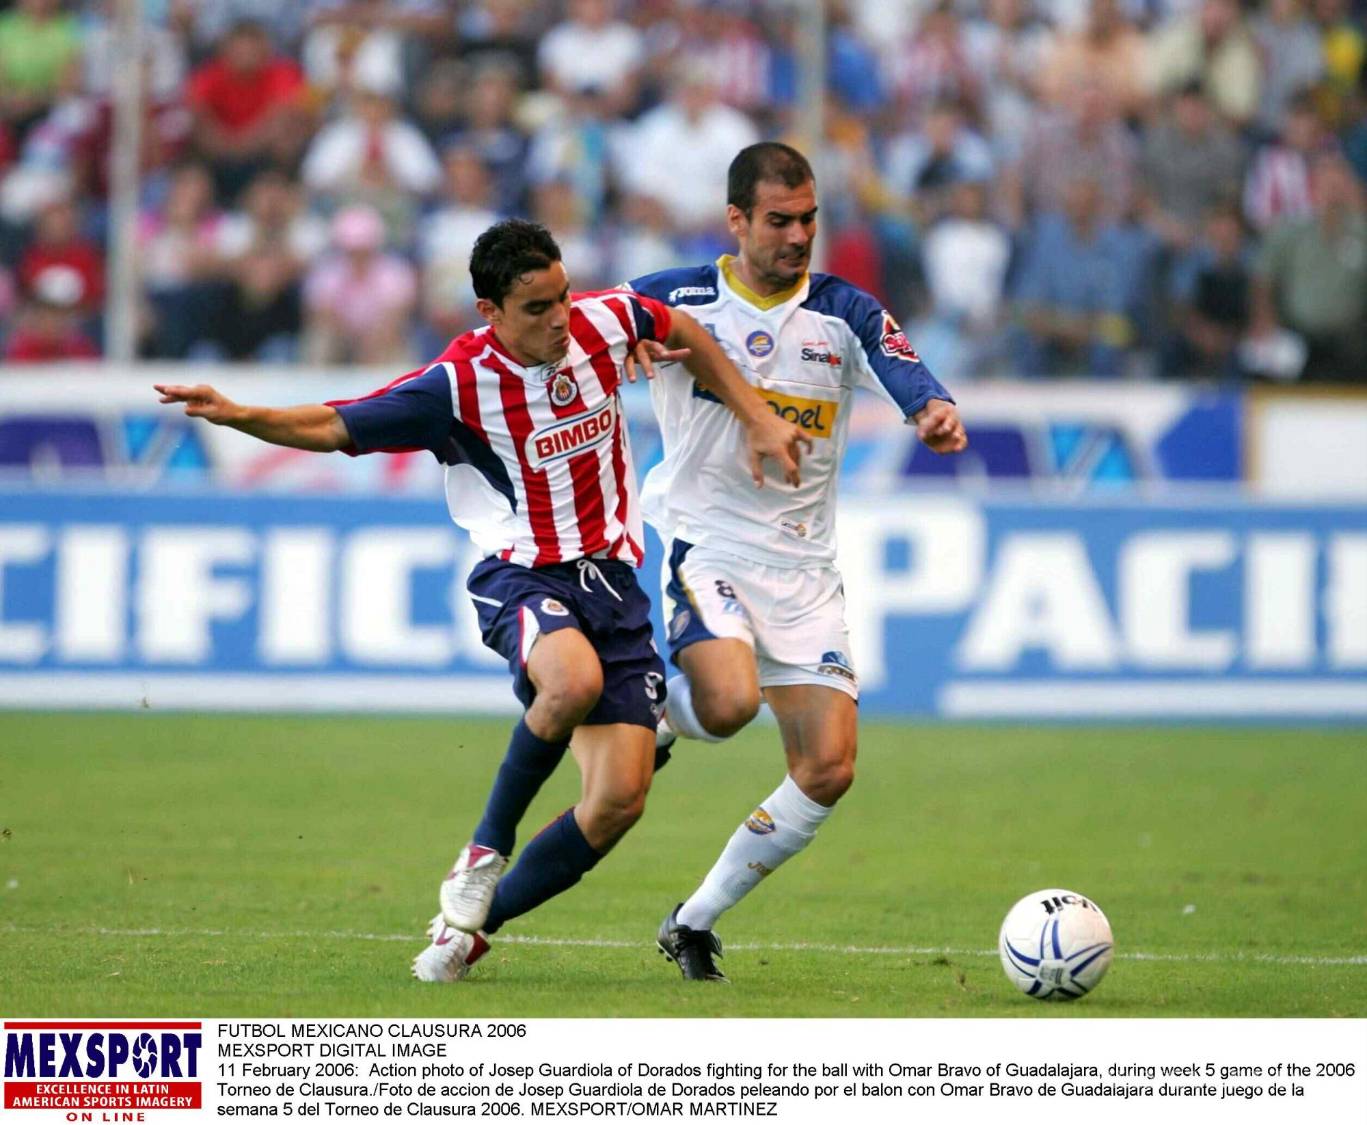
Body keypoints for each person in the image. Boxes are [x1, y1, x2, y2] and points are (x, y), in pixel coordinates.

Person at [154, 218, 806, 983]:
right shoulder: (458, 383)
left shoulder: (604, 321)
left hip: (615, 586)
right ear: (489, 311)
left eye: (562, 296)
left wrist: (756, 415)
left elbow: (678, 323)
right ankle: (484, 848)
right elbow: (335, 423)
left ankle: (466, 930)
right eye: (536, 307)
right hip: (522, 573)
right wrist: (240, 415)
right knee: (571, 681)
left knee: (618, 800)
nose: (559, 317)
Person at [621, 143, 967, 982]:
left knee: (828, 767)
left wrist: (933, 412)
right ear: (735, 219)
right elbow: (571, 333)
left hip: (806, 573)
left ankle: (692, 920)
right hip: (712, 549)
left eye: (808, 219)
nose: (797, 235)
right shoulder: (671, 299)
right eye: (778, 220)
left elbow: (909, 372)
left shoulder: (844, 310)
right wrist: (618, 347)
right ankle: (667, 717)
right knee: (733, 703)